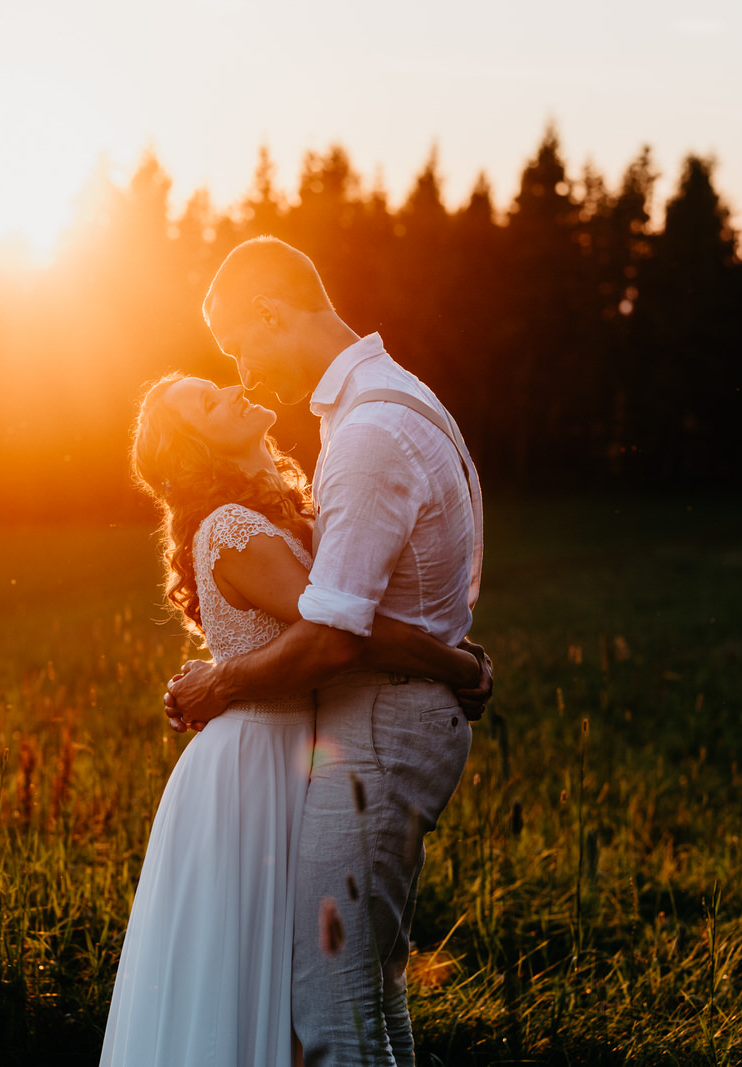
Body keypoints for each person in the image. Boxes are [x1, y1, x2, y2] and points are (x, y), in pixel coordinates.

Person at [99, 371, 488, 1067]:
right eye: (208, 402)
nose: (230, 390)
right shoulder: (233, 529)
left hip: (300, 753)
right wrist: (458, 665)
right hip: (252, 770)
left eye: (217, 385)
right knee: (274, 972)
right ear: (195, 450)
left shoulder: (289, 511)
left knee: (336, 972)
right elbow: (344, 632)